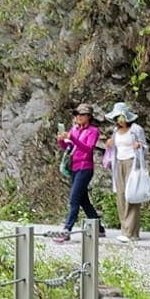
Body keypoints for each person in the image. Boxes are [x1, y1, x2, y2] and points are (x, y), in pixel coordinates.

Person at [53, 103, 103, 242]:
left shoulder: (93, 131)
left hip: (85, 167)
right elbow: (69, 147)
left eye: (82, 114)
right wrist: (61, 141)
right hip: (74, 167)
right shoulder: (74, 129)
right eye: (77, 114)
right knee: (83, 200)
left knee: (74, 198)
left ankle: (66, 230)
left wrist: (72, 138)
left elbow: (88, 149)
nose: (78, 117)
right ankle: (99, 228)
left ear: (89, 116)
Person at [106, 103, 150, 240]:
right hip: (119, 164)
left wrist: (139, 146)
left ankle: (130, 232)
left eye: (121, 117)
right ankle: (127, 231)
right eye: (117, 117)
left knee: (131, 195)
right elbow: (113, 149)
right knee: (121, 197)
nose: (119, 120)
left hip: (132, 163)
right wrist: (109, 145)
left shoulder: (136, 129)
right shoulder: (115, 131)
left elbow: (146, 148)